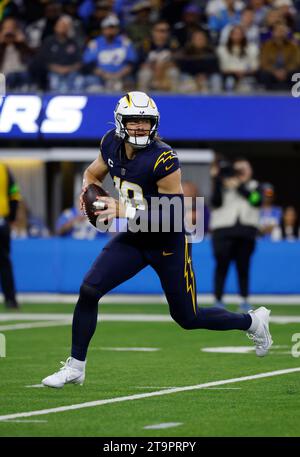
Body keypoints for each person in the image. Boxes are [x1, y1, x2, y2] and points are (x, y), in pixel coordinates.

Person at [42, 92, 272, 389]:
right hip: (135, 239)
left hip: (167, 242)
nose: (139, 127)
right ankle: (75, 366)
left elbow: (174, 215)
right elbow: (92, 173)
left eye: (145, 121)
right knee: (89, 289)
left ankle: (253, 322)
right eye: (133, 120)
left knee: (187, 318)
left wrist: (121, 208)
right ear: (120, 122)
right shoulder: (110, 143)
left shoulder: (164, 158)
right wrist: (89, 191)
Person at [210, 157, 263, 312]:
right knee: (221, 267)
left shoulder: (255, 186)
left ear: (250, 171)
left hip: (246, 233)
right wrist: (218, 180)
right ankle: (218, 300)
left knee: (243, 267)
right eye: (237, 170)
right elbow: (215, 202)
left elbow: (256, 201)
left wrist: (239, 186)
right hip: (223, 232)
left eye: (243, 169)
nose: (240, 172)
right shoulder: (223, 186)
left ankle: (244, 300)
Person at [0, 162, 21, 309]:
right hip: (1, 220)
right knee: (4, 262)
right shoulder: (3, 167)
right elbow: (14, 193)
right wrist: (11, 218)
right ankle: (11, 299)